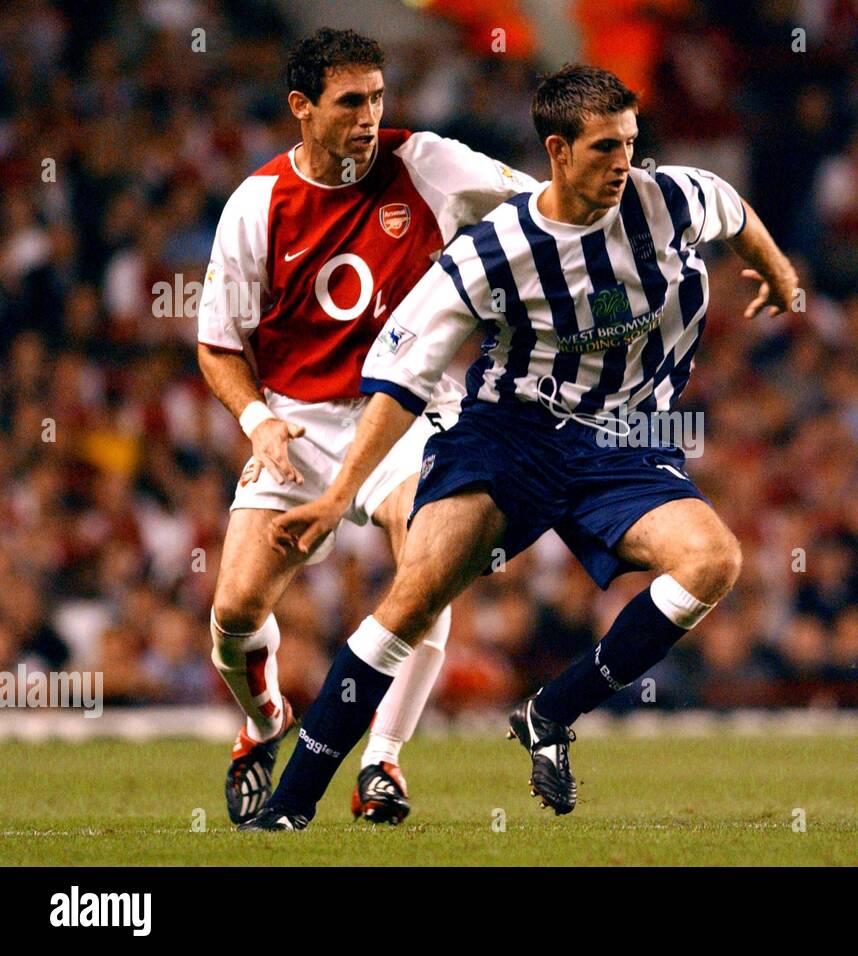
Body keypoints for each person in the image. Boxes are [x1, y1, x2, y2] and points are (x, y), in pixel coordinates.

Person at [242, 63, 798, 829]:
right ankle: (292, 801)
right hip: (511, 436)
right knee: (415, 593)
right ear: (558, 150)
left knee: (713, 562)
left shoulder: (669, 199)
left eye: (630, 144)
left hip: (623, 440)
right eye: (604, 148)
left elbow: (733, 212)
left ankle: (550, 714)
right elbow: (401, 380)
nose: (623, 164)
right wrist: (339, 495)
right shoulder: (493, 252)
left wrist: (777, 270)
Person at [197, 27, 536, 826]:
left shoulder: (426, 164)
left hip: (408, 416)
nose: (368, 117)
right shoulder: (258, 204)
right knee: (236, 610)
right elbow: (217, 345)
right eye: (350, 102)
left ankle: (381, 759)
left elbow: (539, 206)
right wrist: (257, 422)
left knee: (430, 559)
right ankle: (265, 722)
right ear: (301, 108)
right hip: (295, 425)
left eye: (377, 98)